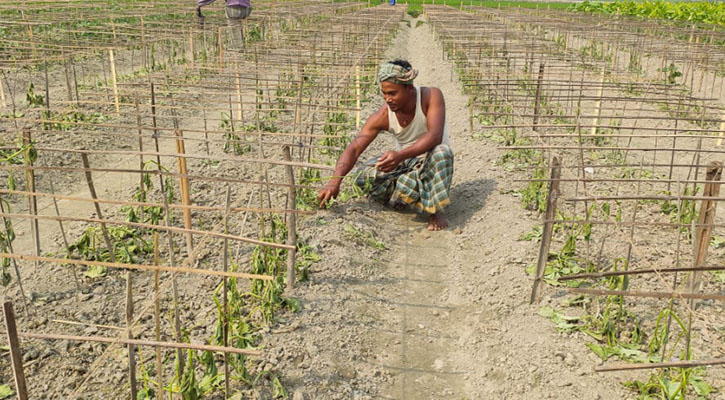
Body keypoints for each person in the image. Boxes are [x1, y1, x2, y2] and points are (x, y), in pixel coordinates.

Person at [317, 59, 454, 231]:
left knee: (443, 152)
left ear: (409, 88)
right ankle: (414, 193)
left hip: (431, 161)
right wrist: (334, 181)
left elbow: (434, 136)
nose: (387, 99)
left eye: (392, 93)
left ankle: (435, 211)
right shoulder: (383, 115)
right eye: (384, 93)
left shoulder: (431, 96)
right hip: (408, 164)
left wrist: (400, 156)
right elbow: (354, 149)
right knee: (362, 175)